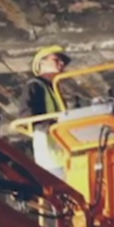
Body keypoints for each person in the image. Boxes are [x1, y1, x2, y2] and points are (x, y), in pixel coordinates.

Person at [20, 45, 72, 181]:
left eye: (62, 62)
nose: (61, 64)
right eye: (56, 60)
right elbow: (26, 116)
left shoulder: (54, 90)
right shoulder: (34, 85)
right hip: (51, 160)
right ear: (42, 63)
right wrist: (51, 128)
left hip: (65, 156)